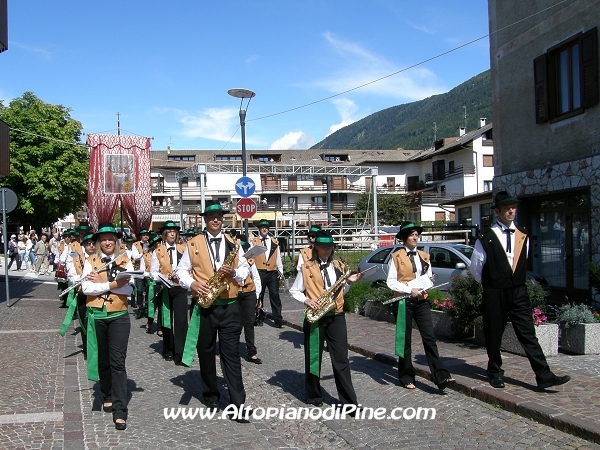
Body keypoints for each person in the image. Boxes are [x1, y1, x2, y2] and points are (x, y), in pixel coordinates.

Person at [470, 191, 571, 390]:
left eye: (513, 207)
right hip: (495, 291)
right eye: (507, 208)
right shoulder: (486, 237)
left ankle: (544, 375)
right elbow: (476, 268)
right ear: (497, 211)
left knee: (528, 334)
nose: (511, 211)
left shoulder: (523, 234)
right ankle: (495, 371)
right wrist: (493, 284)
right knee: (494, 334)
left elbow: (521, 262)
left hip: (518, 291)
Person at [176, 201, 250, 421]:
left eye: (219, 216)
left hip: (229, 306)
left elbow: (246, 269)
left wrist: (235, 271)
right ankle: (210, 394)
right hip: (204, 307)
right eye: (211, 216)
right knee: (206, 352)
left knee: (231, 355)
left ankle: (238, 403)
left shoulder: (234, 243)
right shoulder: (194, 243)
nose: (216, 219)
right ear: (205, 220)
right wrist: (192, 284)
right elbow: (181, 270)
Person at [289, 230, 363, 410]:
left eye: (330, 246)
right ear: (316, 247)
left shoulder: (339, 265)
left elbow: (341, 292)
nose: (327, 250)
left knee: (341, 359)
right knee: (313, 357)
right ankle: (314, 396)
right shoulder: (306, 267)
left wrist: (349, 283)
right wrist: (307, 300)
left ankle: (349, 403)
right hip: (316, 316)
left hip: (336, 316)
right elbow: (294, 290)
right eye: (323, 247)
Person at [386, 222, 455, 390]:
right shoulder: (396, 256)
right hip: (403, 302)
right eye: (411, 235)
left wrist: (427, 284)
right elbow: (391, 282)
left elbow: (428, 277)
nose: (415, 237)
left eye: (417, 234)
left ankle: (440, 376)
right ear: (404, 238)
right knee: (405, 341)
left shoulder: (424, 256)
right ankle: (406, 376)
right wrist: (410, 290)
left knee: (429, 337)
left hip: (421, 301)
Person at [80, 223, 134, 431]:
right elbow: (87, 288)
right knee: (103, 360)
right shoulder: (90, 262)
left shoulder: (125, 260)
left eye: (111, 238)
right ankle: (107, 394)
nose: (108, 242)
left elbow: (129, 288)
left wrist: (102, 283)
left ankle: (120, 411)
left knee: (117, 362)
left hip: (119, 315)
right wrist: (112, 285)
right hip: (97, 316)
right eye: (103, 239)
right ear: (98, 243)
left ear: (116, 240)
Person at [150, 220, 188, 363]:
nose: (172, 233)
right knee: (166, 320)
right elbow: (152, 273)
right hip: (165, 288)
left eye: (174, 231)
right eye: (169, 231)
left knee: (181, 321)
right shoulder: (158, 251)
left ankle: (180, 352)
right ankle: (168, 350)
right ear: (165, 234)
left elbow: (188, 268)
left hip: (180, 288)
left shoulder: (183, 249)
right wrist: (163, 277)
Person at [252, 219, 284, 328]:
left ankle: (278, 318)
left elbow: (278, 257)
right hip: (260, 271)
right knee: (259, 295)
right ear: (259, 229)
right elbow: (250, 257)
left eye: (266, 227)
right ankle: (258, 317)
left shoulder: (274, 241)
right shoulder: (254, 241)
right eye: (262, 227)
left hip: (272, 272)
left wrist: (281, 270)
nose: (264, 229)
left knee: (275, 295)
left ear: (268, 229)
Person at [236, 234, 263, 364]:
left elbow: (256, 278)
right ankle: (233, 349)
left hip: (249, 293)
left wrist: (257, 296)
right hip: (236, 293)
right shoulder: (234, 261)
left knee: (249, 323)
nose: (244, 251)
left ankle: (252, 352)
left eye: (245, 249)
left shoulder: (250, 261)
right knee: (235, 323)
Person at [131, 229, 151, 309]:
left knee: (148, 290)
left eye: (147, 235)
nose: (146, 236)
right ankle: (140, 307)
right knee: (139, 290)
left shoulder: (150, 244)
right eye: (144, 235)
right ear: (141, 236)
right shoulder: (135, 245)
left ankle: (146, 307)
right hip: (139, 270)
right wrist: (143, 253)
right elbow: (135, 257)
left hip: (148, 270)